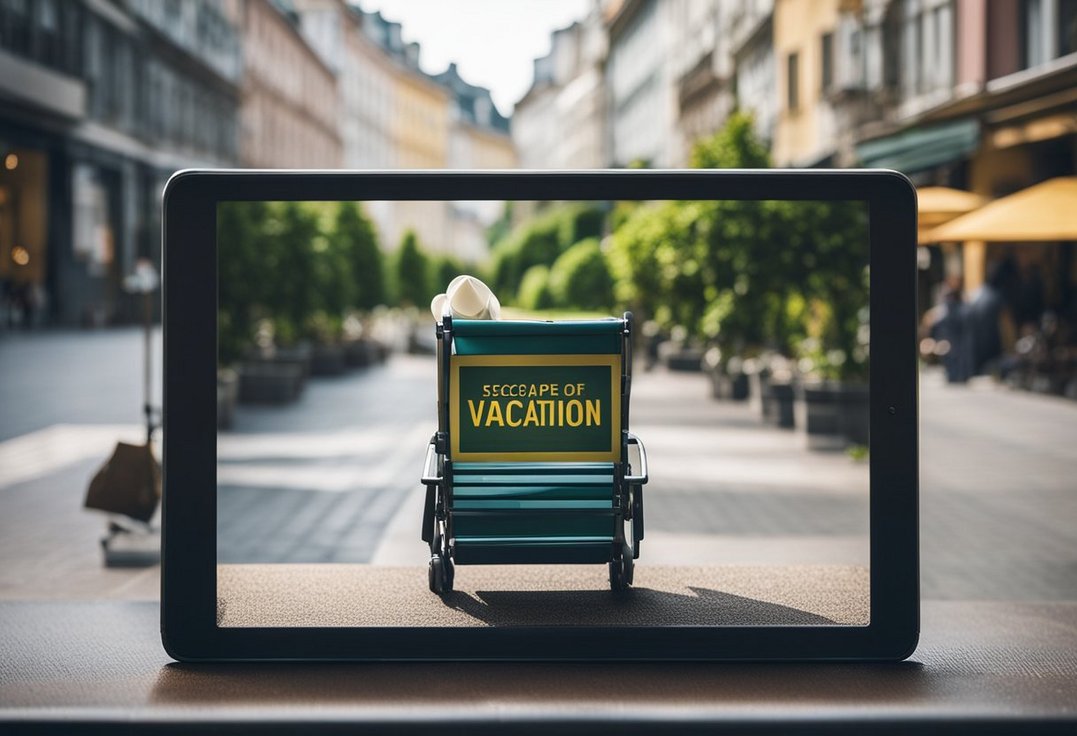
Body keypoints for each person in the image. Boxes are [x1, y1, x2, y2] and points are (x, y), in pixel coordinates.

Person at [932, 281, 973, 383]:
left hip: (954, 338)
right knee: (956, 357)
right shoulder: (962, 307)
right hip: (955, 338)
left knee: (955, 357)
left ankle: (956, 376)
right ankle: (958, 375)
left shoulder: (949, 308)